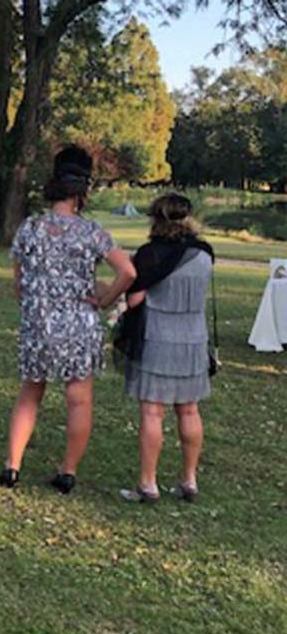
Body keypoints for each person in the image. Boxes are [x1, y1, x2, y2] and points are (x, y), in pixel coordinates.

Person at [0, 146, 136, 493]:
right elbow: (128, 271)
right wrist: (104, 299)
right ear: (83, 190)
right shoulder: (91, 232)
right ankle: (67, 472)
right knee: (79, 399)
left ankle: (12, 466)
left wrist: (36, 302)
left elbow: (18, 283)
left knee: (30, 394)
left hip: (38, 322)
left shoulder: (29, 229)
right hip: (79, 322)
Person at [115, 194, 213, 504]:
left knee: (152, 412)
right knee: (189, 409)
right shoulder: (205, 254)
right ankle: (189, 479)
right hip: (194, 337)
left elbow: (134, 300)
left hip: (157, 336)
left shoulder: (149, 255)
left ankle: (148, 484)